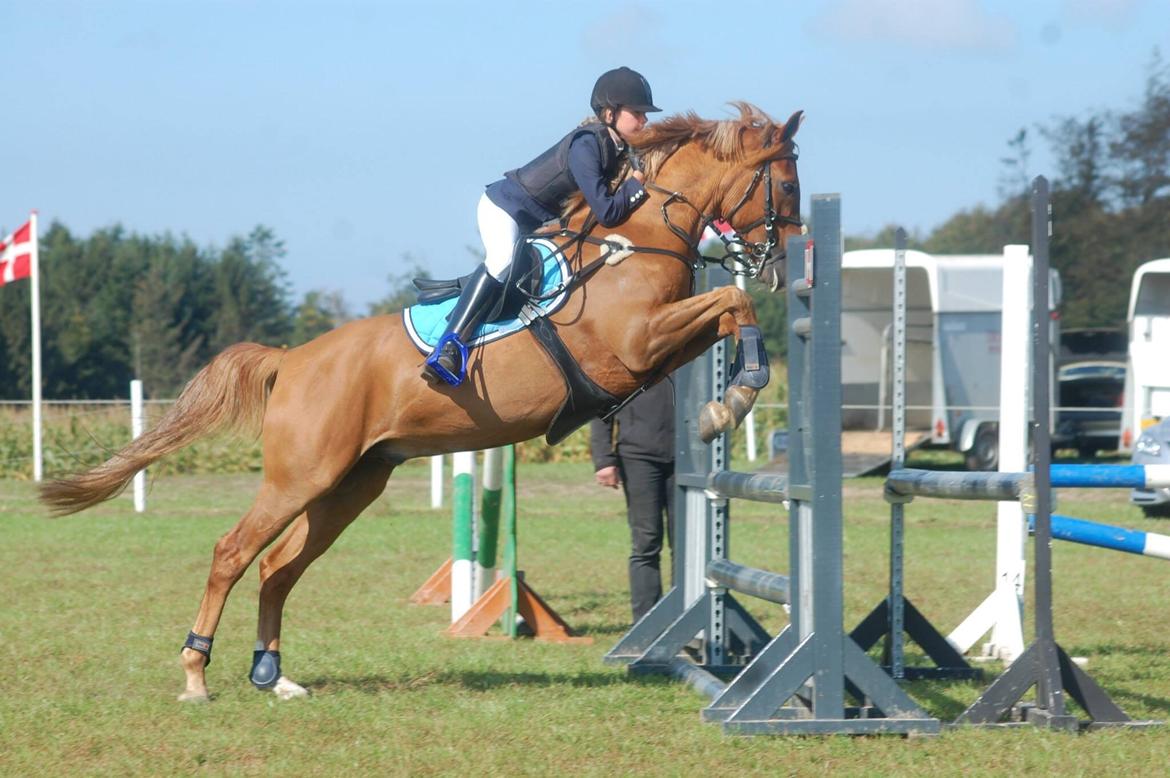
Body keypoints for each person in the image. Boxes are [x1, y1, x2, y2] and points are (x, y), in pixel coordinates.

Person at [423, 66, 662, 386]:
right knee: (502, 262)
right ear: (610, 113)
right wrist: (636, 185)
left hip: (536, 222)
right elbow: (607, 212)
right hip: (505, 209)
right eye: (637, 112)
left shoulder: (619, 150)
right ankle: (449, 346)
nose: (644, 120)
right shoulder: (587, 145)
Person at [590, 379, 675, 623]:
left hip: (688, 458)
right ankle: (646, 623)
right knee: (646, 542)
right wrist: (603, 459)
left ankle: (684, 617)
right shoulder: (634, 362)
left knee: (685, 544)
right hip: (637, 457)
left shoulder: (691, 360)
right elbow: (602, 407)